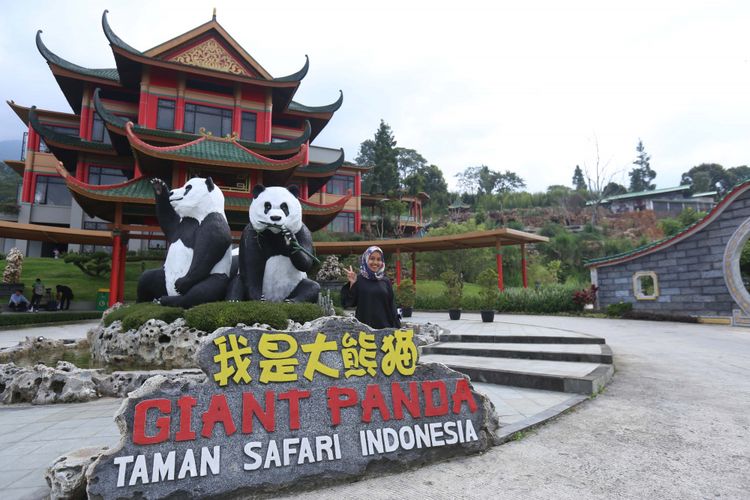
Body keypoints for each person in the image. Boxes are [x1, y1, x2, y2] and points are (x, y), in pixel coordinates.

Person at [341, 246, 401, 329]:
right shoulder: (359, 279)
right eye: (372, 258)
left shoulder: (385, 281)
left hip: (385, 329)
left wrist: (397, 327)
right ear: (366, 259)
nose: (375, 262)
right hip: (364, 330)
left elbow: (392, 306)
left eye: (378, 259)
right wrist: (352, 283)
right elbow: (348, 303)